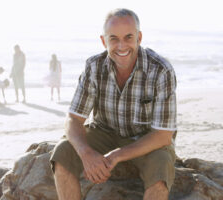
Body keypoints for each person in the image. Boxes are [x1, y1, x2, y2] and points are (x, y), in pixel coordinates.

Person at [50, 8, 177, 200]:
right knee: (62, 153)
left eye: (128, 37)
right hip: (104, 133)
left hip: (146, 141)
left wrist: (116, 155)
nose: (122, 46)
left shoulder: (160, 70)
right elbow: (73, 118)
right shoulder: (94, 67)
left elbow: (163, 135)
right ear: (104, 41)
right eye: (114, 39)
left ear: (139, 38)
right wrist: (86, 153)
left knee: (160, 171)